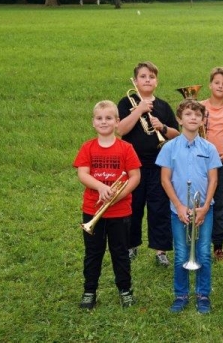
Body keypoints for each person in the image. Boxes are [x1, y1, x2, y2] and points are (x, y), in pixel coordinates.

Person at [73, 100, 142, 310]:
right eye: (99, 118)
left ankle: (125, 290)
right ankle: (89, 290)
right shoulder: (88, 147)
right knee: (93, 253)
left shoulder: (126, 148)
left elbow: (135, 176)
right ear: (93, 122)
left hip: (120, 211)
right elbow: (82, 174)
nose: (104, 122)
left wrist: (118, 196)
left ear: (117, 122)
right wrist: (102, 188)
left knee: (120, 252)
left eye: (109, 118)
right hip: (92, 210)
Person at [156, 99, 221, 314]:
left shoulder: (209, 148)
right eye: (188, 114)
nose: (193, 118)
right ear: (179, 119)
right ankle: (181, 294)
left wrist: (204, 208)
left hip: (204, 210)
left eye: (197, 115)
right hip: (179, 210)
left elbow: (213, 180)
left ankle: (203, 294)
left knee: (203, 252)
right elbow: (165, 179)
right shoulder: (169, 147)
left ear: (203, 120)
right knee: (182, 253)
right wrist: (179, 206)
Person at [117, 61, 179, 267]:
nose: (147, 80)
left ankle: (161, 250)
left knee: (159, 207)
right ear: (135, 81)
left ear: (157, 81)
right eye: (143, 77)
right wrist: (139, 110)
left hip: (158, 164)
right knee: (132, 206)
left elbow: (176, 134)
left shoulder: (162, 106)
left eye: (151, 77)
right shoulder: (127, 102)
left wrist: (162, 127)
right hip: (132, 165)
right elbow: (121, 130)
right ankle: (130, 245)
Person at [199, 67, 223, 266]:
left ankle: (218, 247)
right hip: (198, 164)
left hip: (222, 164)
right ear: (210, 85)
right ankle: (198, 245)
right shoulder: (199, 107)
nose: (220, 86)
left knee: (220, 205)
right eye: (217, 82)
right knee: (197, 203)